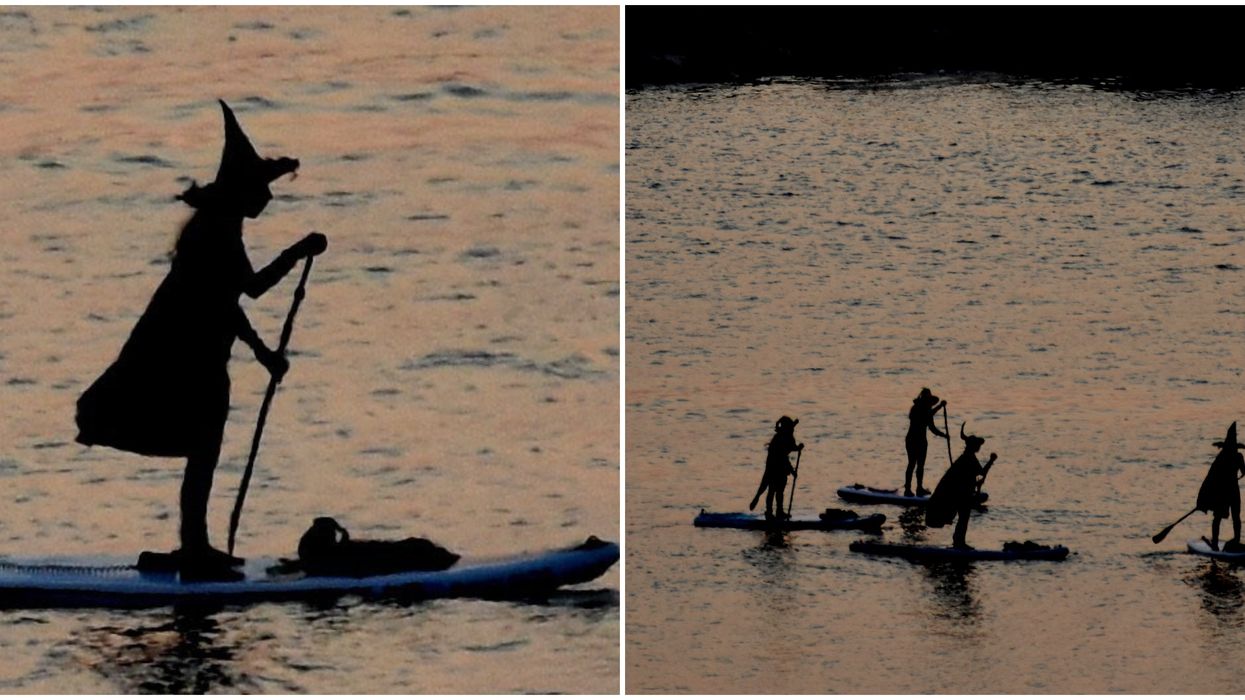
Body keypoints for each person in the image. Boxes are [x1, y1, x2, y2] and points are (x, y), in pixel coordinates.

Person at [75, 100, 328, 578]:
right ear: (240, 191)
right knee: (202, 449)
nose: (267, 199)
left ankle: (196, 544)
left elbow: (227, 302)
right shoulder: (215, 233)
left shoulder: (223, 226)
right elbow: (250, 290)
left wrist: (264, 355)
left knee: (204, 451)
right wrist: (296, 252)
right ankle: (194, 550)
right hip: (186, 361)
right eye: (260, 190)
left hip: (207, 360)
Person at [925, 423, 995, 549]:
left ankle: (958, 541)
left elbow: (977, 477)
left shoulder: (966, 457)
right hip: (961, 493)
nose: (979, 447)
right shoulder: (969, 459)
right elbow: (981, 475)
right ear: (973, 446)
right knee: (964, 517)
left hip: (962, 492)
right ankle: (959, 542)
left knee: (964, 517)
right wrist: (990, 461)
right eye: (977, 445)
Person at [1196, 422, 1245, 552]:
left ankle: (1218, 543)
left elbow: (1211, 477)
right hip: (1230, 491)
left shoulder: (1223, 456)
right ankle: (1231, 541)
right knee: (1232, 517)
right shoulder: (1237, 456)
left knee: (1222, 517)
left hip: (1225, 491)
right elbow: (1243, 472)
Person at [749, 416, 804, 520]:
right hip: (773, 468)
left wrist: (798, 448)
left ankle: (779, 512)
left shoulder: (788, 436)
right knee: (771, 490)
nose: (792, 430)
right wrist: (792, 471)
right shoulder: (779, 438)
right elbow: (783, 455)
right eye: (790, 428)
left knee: (780, 491)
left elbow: (791, 448)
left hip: (782, 469)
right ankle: (769, 512)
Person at [905, 387, 948, 497]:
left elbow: (932, 428)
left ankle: (919, 488)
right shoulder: (915, 409)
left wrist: (943, 435)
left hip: (922, 441)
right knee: (912, 464)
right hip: (912, 440)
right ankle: (907, 489)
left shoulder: (927, 410)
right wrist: (939, 406)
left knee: (920, 465)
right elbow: (925, 416)